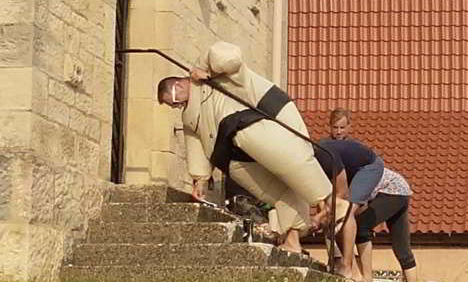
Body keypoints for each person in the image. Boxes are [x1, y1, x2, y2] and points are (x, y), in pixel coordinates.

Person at [156, 41, 350, 255]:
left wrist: (205, 67)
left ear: (179, 86)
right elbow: (195, 146)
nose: (175, 106)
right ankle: (293, 240)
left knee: (284, 159)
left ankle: (331, 201)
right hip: (232, 155)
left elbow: (229, 56)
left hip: (254, 124)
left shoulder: (219, 79)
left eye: (173, 100)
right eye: (171, 105)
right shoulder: (190, 118)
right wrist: (200, 179)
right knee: (276, 192)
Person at [313, 139, 385, 280]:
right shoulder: (311, 165)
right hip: (351, 172)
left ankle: (347, 265)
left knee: (347, 210)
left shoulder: (325, 156)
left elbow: (342, 192)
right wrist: (324, 216)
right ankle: (355, 274)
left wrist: (319, 217)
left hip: (369, 167)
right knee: (334, 220)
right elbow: (322, 197)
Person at [355, 168, 417, 282]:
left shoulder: (346, 173)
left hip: (391, 190)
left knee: (361, 226)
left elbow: (358, 206)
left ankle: (367, 278)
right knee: (402, 247)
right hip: (401, 189)